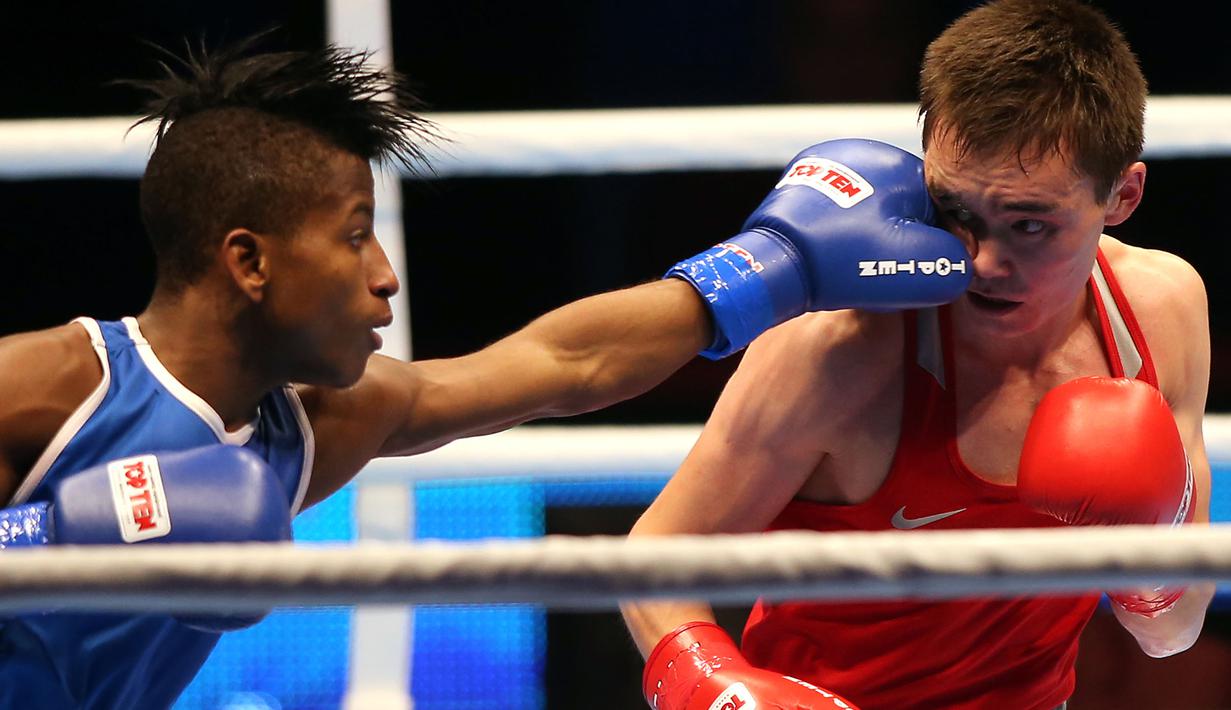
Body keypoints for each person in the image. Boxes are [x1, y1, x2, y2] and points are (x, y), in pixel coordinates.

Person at [0, 34, 972, 709]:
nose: (384, 276)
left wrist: (769, 270)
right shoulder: (50, 385)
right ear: (249, 261)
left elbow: (558, 362)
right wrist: (48, 535)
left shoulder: (323, 424)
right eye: (351, 238)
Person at [622, 1, 1215, 709]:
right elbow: (653, 562)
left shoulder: (1155, 311)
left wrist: (1146, 550)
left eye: (1029, 224)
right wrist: (715, 689)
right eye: (954, 212)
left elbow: (1169, 633)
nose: (981, 260)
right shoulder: (842, 344)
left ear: (1122, 195)